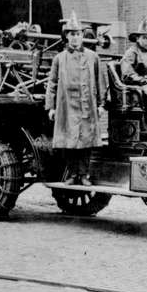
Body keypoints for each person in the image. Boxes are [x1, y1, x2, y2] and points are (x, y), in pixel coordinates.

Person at [45, 11, 108, 186]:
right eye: (72, 34)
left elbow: (100, 81)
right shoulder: (59, 59)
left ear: (82, 36)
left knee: (86, 141)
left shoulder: (92, 57)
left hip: (87, 104)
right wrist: (51, 107)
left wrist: (102, 105)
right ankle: (73, 174)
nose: (75, 38)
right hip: (66, 106)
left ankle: (84, 175)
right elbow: (52, 83)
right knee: (70, 141)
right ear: (66, 37)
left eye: (78, 34)